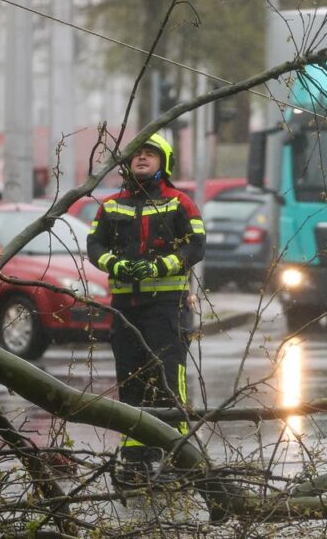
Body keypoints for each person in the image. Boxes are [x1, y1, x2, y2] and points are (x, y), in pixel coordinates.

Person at [86, 133, 206, 489]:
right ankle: (135, 463)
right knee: (131, 386)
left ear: (164, 162)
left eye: (149, 153)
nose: (141, 158)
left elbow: (196, 245)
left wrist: (161, 266)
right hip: (125, 311)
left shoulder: (179, 203)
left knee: (169, 384)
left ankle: (178, 458)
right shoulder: (110, 205)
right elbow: (95, 245)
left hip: (166, 310)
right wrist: (115, 264)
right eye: (136, 154)